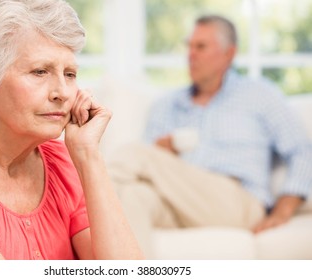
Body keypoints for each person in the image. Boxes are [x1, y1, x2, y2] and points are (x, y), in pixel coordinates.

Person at [0, 0, 143, 260]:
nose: (62, 92)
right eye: (40, 71)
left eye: (70, 74)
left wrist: (88, 155)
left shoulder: (62, 162)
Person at [108, 15, 312, 258]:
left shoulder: (259, 95)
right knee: (133, 196)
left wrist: (284, 209)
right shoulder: (168, 105)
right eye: (189, 46)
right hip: (179, 199)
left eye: (201, 47)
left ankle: (75, 198)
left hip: (237, 200)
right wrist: (162, 151)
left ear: (229, 54)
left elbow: (302, 150)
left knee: (137, 154)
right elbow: (147, 167)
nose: (191, 54)